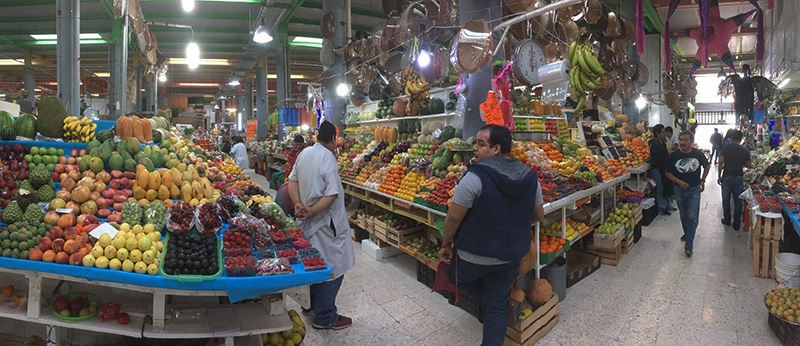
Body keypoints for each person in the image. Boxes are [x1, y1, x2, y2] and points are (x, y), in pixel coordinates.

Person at [438, 124, 544, 346]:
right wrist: (511, 225)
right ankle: (496, 304)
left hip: (473, 254)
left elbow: (453, 218)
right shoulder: (530, 177)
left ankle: (492, 299)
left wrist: (446, 243)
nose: (474, 148)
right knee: (497, 303)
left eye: (480, 143)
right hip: (511, 255)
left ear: (496, 148)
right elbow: (538, 215)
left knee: (456, 276)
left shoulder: (475, 177)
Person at [287, 121, 355, 330]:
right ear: (334, 140)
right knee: (334, 268)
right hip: (327, 225)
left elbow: (292, 181)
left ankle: (311, 306)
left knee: (314, 264)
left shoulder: (305, 153)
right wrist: (313, 210)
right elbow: (332, 195)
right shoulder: (328, 158)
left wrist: (299, 205)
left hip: (308, 224)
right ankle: (325, 316)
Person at [665, 131, 711, 257]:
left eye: (685, 140)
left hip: (694, 189)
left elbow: (707, 166)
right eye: (680, 140)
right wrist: (679, 182)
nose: (682, 142)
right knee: (683, 215)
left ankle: (689, 245)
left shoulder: (698, 154)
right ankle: (688, 232)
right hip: (679, 190)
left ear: (691, 142)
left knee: (692, 216)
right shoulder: (674, 156)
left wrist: (702, 180)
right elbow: (667, 173)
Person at [717, 130, 751, 231]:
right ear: (741, 139)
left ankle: (727, 220)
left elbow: (720, 162)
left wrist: (719, 176)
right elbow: (748, 165)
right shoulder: (744, 150)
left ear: (731, 138)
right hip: (739, 177)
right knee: (738, 201)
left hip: (727, 176)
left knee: (726, 199)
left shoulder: (726, 147)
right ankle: (736, 223)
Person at [649, 125, 673, 215]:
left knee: (664, 187)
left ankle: (667, 205)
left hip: (663, 169)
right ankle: (662, 207)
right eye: (662, 132)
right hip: (657, 169)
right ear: (657, 134)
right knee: (660, 188)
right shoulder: (655, 144)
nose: (664, 134)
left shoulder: (662, 143)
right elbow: (659, 158)